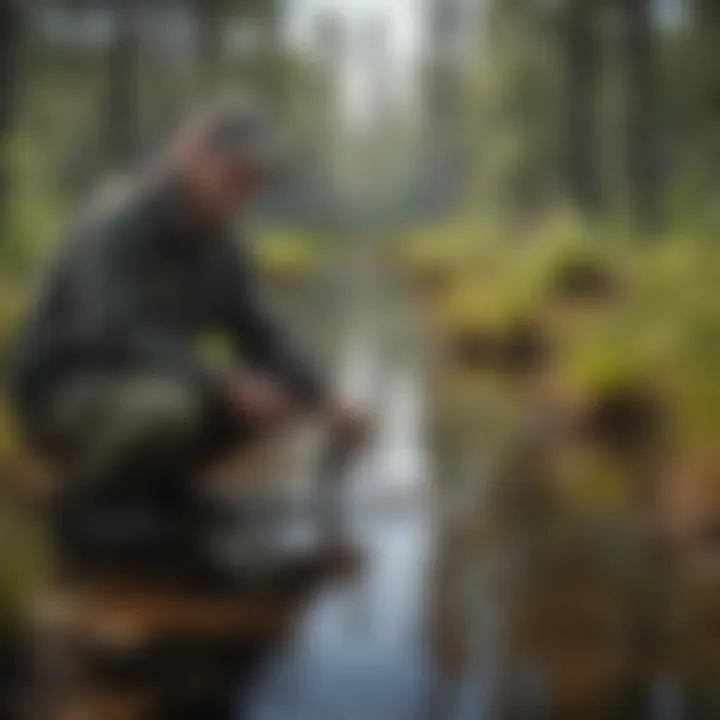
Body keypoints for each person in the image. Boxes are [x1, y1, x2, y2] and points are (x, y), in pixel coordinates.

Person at [11, 98, 369, 583]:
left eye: (254, 181)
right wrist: (222, 381)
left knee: (266, 398)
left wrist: (326, 396)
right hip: (59, 394)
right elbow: (111, 331)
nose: (243, 193)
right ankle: (90, 510)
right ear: (191, 157)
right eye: (234, 174)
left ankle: (159, 488)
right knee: (173, 408)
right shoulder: (119, 220)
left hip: (134, 391)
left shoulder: (221, 245)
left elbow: (260, 332)